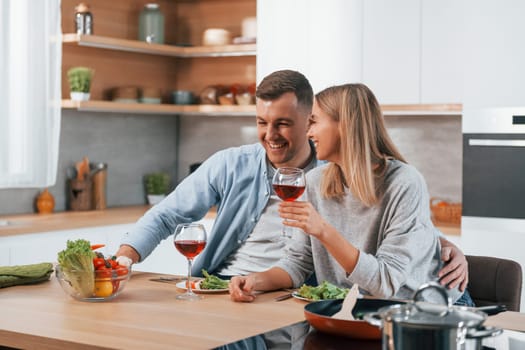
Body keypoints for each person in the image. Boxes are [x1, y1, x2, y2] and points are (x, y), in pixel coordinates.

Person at [115, 70, 469, 298]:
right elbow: (166, 215)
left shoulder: (356, 176)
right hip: (233, 288)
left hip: (404, 308)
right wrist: (123, 260)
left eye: (287, 123)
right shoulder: (297, 177)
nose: (270, 136)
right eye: (261, 122)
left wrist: (439, 244)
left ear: (309, 122)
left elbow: (393, 250)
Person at [229, 83, 465, 304]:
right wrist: (254, 280)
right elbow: (297, 262)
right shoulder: (314, 182)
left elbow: (385, 283)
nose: (308, 132)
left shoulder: (404, 182)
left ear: (344, 125)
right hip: (351, 309)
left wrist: (323, 231)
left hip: (420, 311)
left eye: (314, 122)